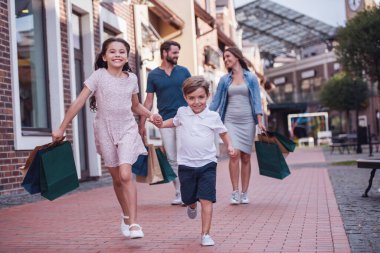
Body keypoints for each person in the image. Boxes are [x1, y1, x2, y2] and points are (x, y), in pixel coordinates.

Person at [52, 37, 161, 239]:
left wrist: (150, 115)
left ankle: (135, 223)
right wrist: (61, 127)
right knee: (117, 178)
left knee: (126, 174)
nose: (117, 55)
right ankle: (126, 215)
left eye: (122, 51)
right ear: (104, 56)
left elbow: (135, 106)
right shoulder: (98, 76)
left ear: (126, 57)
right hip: (104, 130)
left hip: (127, 129)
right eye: (112, 51)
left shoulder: (132, 79)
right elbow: (79, 101)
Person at [153, 76, 236, 246]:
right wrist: (161, 124)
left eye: (200, 97)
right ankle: (191, 205)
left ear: (208, 96)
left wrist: (229, 146)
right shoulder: (182, 112)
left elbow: (223, 132)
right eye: (191, 98)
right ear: (185, 97)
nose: (196, 102)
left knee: (206, 199)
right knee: (188, 198)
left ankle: (205, 234)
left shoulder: (212, 116)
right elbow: (173, 122)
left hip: (207, 164)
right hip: (186, 165)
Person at [210, 47, 266, 205]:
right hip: (230, 120)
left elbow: (256, 101)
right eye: (224, 57)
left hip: (248, 121)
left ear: (237, 56)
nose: (225, 59)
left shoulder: (252, 78)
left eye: (228, 56)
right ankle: (234, 192)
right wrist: (203, 116)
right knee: (233, 153)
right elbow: (215, 102)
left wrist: (260, 121)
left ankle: (245, 193)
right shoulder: (224, 80)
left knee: (246, 157)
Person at [139, 40, 191, 205]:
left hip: (184, 119)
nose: (177, 56)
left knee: (183, 156)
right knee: (171, 157)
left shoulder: (184, 72)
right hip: (165, 121)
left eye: (178, 53)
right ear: (165, 53)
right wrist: (142, 124)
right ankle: (179, 191)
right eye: (174, 52)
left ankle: (186, 191)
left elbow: (193, 93)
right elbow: (148, 102)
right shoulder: (153, 75)